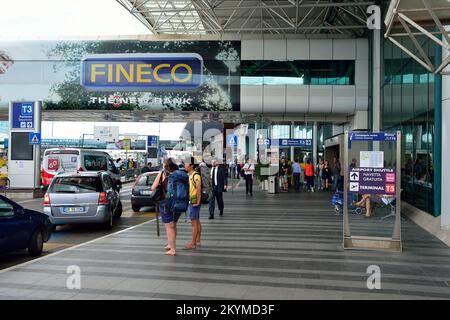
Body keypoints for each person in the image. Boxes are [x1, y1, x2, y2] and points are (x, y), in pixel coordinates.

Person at [151, 158, 180, 256]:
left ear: (166, 165)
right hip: (178, 202)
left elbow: (153, 187)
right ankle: (170, 244)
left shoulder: (162, 174)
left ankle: (173, 249)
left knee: (169, 226)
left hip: (165, 203)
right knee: (173, 224)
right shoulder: (179, 173)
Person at [184, 158, 202, 250]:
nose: (184, 165)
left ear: (192, 166)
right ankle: (197, 240)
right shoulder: (189, 175)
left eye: (186, 163)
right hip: (192, 200)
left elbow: (198, 189)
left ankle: (193, 243)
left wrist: (198, 201)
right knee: (197, 221)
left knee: (194, 222)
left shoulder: (195, 175)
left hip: (194, 201)